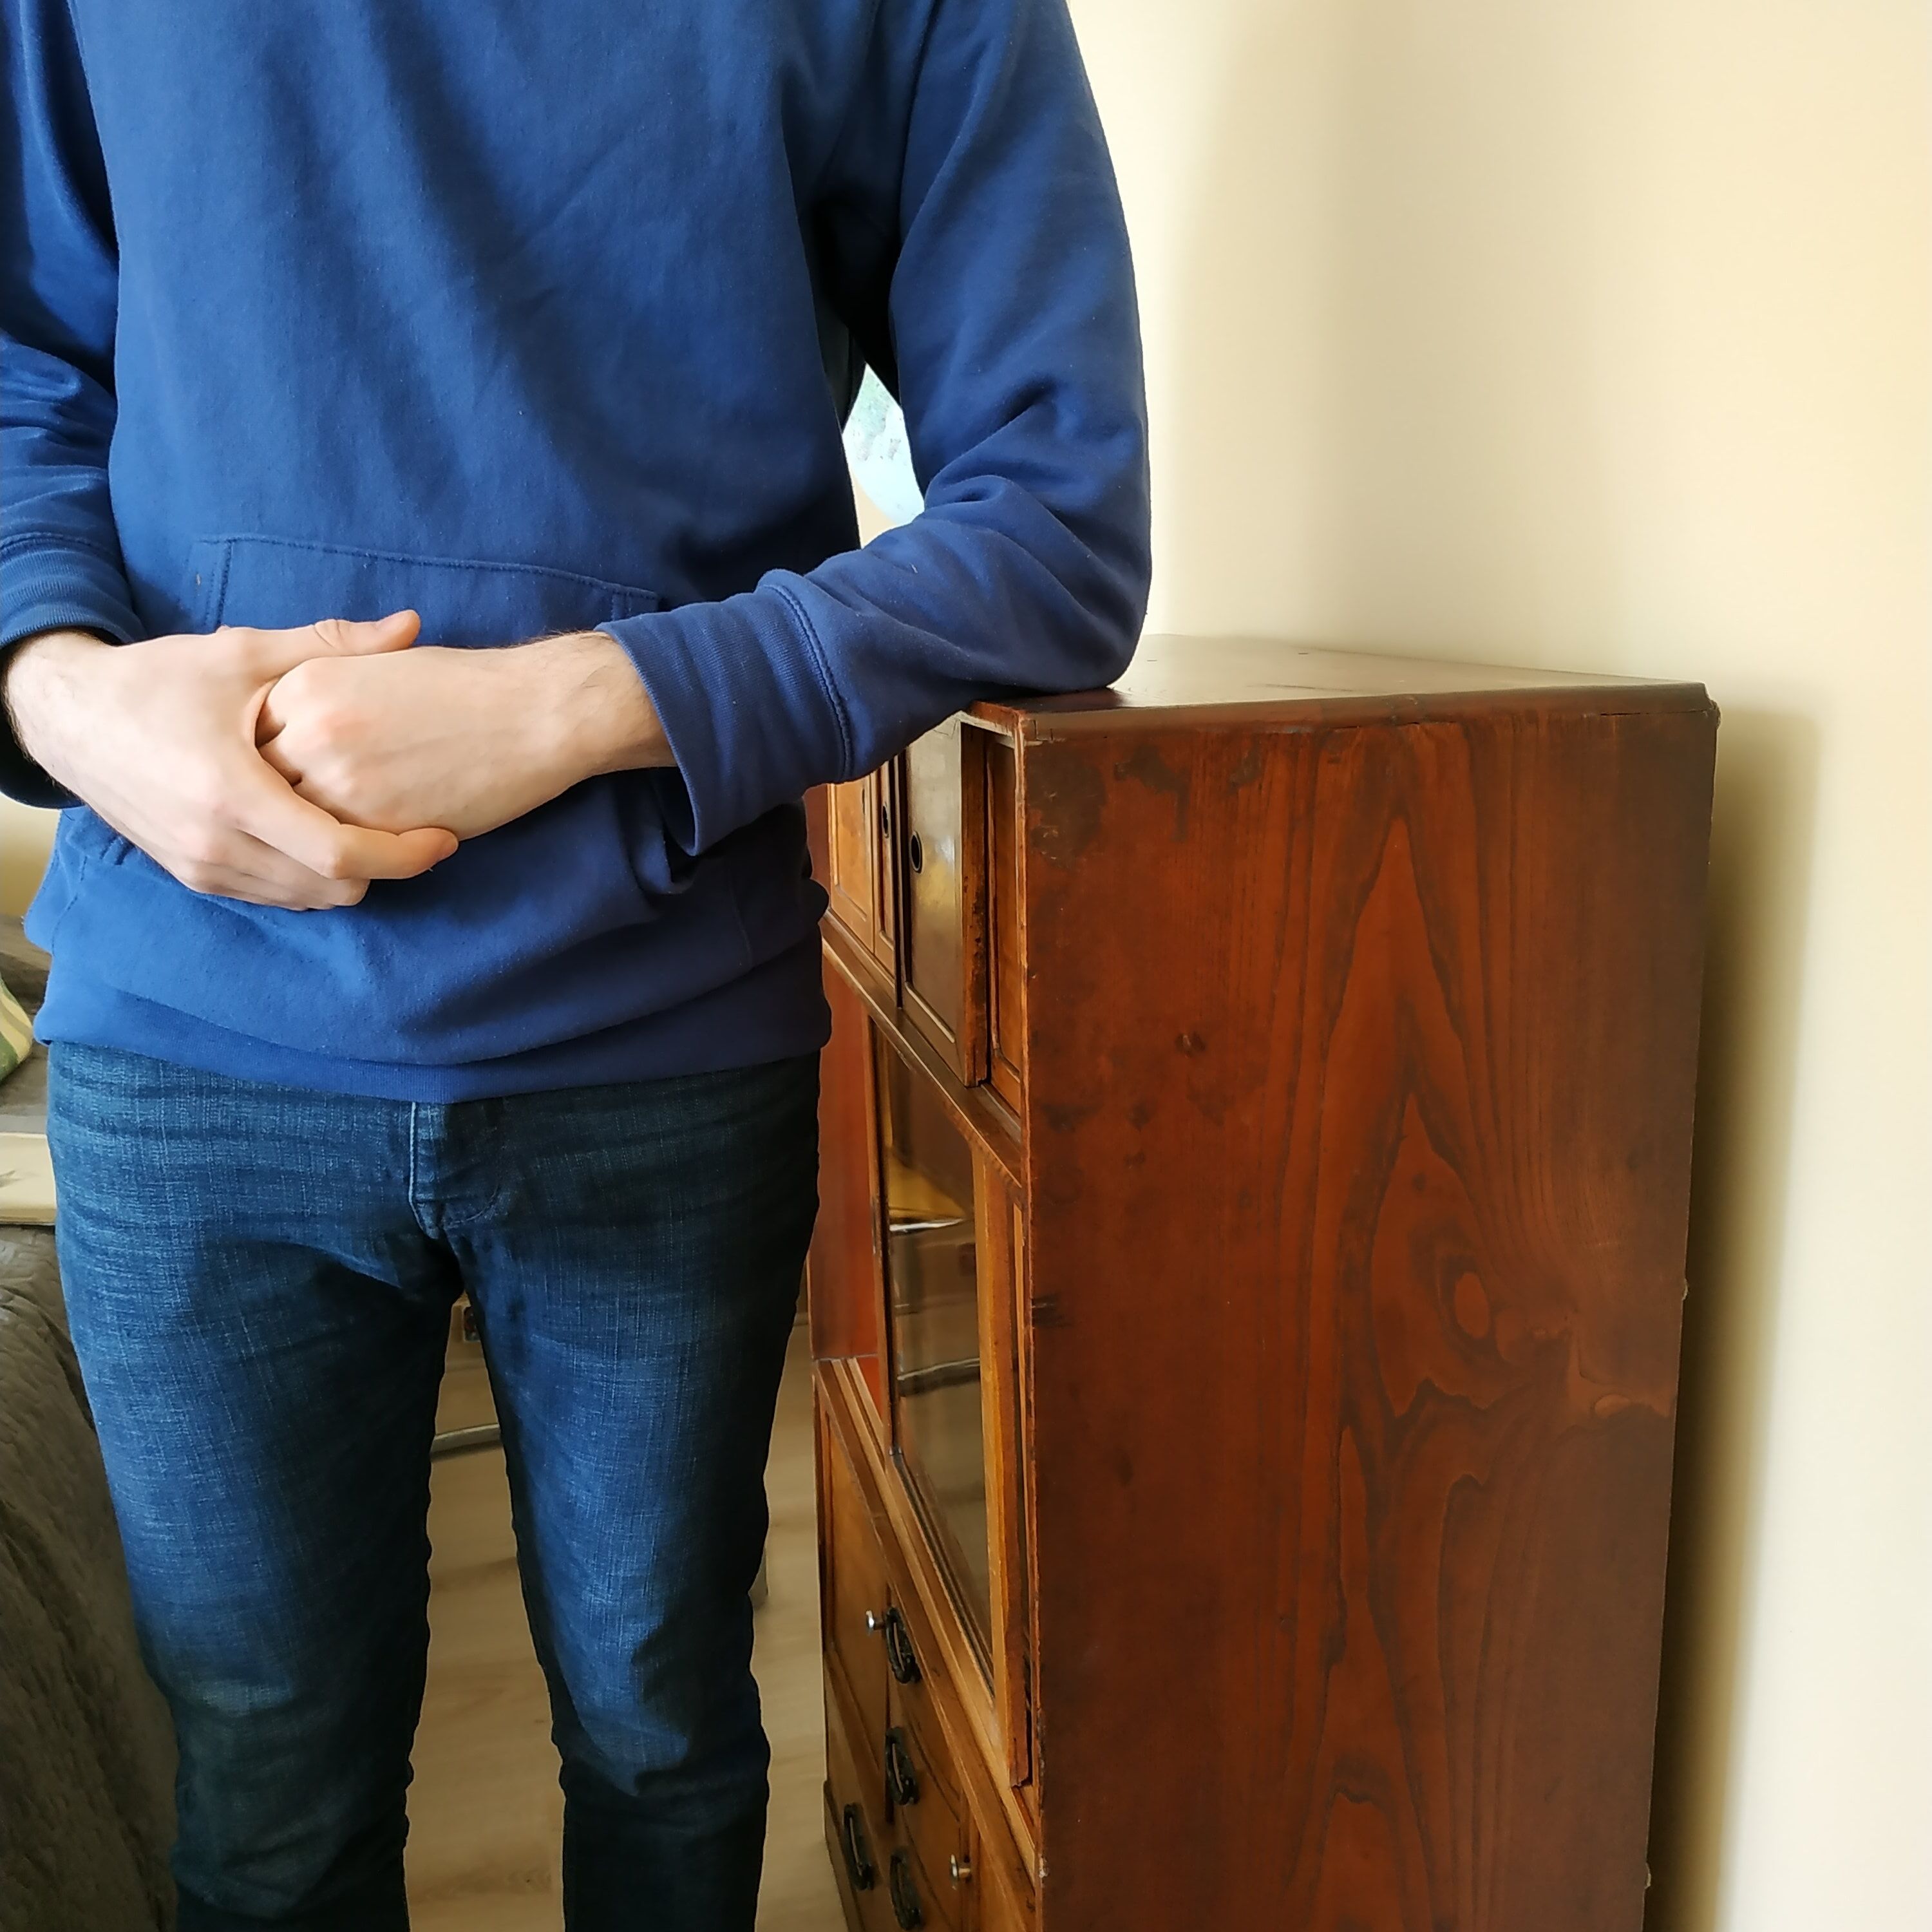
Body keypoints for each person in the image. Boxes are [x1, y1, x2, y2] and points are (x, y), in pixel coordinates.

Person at [0, 3, 1150, 1928]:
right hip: (191, 1035)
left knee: (663, 1740)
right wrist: (60, 694)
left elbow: (1059, 521)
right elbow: (22, 354)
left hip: (662, 1044)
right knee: (265, 1805)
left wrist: (580, 702)